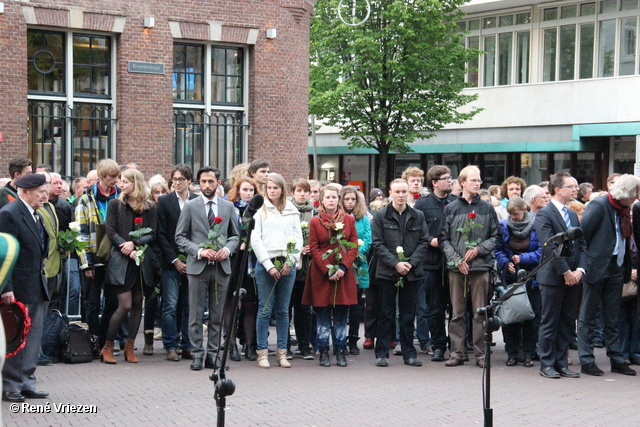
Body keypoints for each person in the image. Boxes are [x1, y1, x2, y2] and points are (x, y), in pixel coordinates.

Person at [176, 166, 239, 371]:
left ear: (218, 183)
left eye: (211, 181)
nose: (207, 185)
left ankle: (213, 355)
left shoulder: (228, 207)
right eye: (203, 181)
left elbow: (235, 236)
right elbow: (180, 237)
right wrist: (199, 251)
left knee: (217, 313)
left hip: (221, 267)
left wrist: (228, 250)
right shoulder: (190, 206)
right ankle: (197, 354)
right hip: (198, 267)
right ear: (198, 183)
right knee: (195, 314)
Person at [578, 174, 640, 377]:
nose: (636, 198)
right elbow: (582, 237)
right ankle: (587, 359)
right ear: (625, 194)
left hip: (617, 266)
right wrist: (585, 265)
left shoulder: (624, 208)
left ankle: (616, 358)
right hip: (596, 268)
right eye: (634, 194)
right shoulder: (599, 205)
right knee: (587, 316)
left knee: (612, 316)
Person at [440, 165, 500, 368]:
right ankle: (457, 352)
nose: (478, 183)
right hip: (457, 268)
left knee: (480, 312)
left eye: (479, 180)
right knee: (457, 313)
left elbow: (495, 237)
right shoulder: (450, 208)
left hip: (480, 267)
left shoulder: (487, 208)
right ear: (463, 182)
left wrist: (479, 250)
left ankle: (481, 354)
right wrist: (457, 259)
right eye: (474, 180)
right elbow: (443, 238)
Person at [0, 173, 50, 402]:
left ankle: (27, 381)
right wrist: (6, 286)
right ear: (25, 191)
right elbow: (4, 252)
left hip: (36, 284)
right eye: (40, 191)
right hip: (17, 287)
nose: (45, 195)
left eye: (45, 191)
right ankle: (11, 385)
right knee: (16, 336)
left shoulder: (38, 215)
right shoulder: (9, 214)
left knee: (33, 337)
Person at [370, 179, 430, 368]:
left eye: (404, 191)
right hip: (387, 272)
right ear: (390, 193)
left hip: (412, 273)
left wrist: (410, 264)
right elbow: (377, 244)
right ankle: (381, 353)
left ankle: (409, 353)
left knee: (408, 314)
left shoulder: (417, 215)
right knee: (386, 313)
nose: (401, 195)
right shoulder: (380, 216)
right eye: (397, 191)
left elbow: (424, 242)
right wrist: (395, 263)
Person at [100, 168, 157, 364]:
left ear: (135, 183)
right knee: (124, 305)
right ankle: (108, 346)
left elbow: (153, 233)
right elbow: (111, 230)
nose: (120, 184)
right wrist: (126, 247)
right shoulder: (115, 204)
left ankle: (130, 347)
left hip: (141, 262)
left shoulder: (149, 207)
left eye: (125, 181)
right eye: (121, 181)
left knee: (137, 305)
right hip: (121, 260)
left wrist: (136, 244)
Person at [534, 172, 587, 379]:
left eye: (576, 186)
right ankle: (547, 363)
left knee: (567, 322)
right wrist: (565, 271)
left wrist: (579, 271)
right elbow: (549, 246)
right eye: (571, 186)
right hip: (553, 278)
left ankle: (561, 362)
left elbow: (581, 244)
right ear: (558, 189)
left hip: (574, 277)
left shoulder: (572, 214)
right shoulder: (544, 214)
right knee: (550, 321)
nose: (576, 189)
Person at [302, 184, 357, 367]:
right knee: (322, 315)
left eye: (334, 197)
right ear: (322, 201)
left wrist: (343, 267)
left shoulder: (349, 219)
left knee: (341, 315)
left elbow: (353, 245)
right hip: (322, 273)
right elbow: (315, 248)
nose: (331, 201)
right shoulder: (315, 222)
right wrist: (328, 269)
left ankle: (340, 350)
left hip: (343, 273)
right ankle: (323, 350)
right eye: (328, 198)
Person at [250, 173, 302, 368]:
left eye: (275, 188)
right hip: (266, 265)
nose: (272, 191)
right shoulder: (260, 210)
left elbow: (298, 238)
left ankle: (282, 353)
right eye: (269, 188)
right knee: (264, 308)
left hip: (287, 264)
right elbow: (256, 239)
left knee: (282, 310)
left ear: (282, 189)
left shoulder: (292, 210)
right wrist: (269, 265)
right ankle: (262, 352)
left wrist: (291, 260)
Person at [75, 159, 121, 348]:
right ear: (101, 177)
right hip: (94, 258)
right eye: (112, 177)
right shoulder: (86, 199)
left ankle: (105, 341)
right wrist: (86, 263)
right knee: (91, 303)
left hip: (115, 258)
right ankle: (91, 340)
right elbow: (80, 232)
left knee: (112, 303)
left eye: (117, 176)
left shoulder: (120, 196)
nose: (115, 180)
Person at [414, 165, 455, 362]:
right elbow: (417, 231)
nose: (450, 181)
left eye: (451, 178)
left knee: (456, 306)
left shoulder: (456, 202)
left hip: (453, 262)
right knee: (434, 307)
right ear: (434, 182)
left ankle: (456, 345)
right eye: (446, 178)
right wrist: (430, 240)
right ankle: (438, 345)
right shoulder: (422, 205)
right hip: (431, 262)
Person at [157, 165, 198, 362]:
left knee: (189, 305)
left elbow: (199, 232)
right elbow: (161, 234)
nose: (177, 182)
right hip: (170, 263)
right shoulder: (165, 201)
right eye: (174, 179)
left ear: (189, 180)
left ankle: (188, 345)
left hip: (193, 261)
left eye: (181, 179)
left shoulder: (196, 201)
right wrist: (174, 260)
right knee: (170, 305)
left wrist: (193, 256)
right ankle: (170, 345)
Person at [495, 197, 541, 368]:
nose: (512, 218)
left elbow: (541, 251)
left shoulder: (536, 225)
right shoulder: (503, 226)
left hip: (532, 276)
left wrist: (523, 258)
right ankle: (512, 353)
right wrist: (506, 263)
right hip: (511, 278)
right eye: (510, 215)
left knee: (531, 316)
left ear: (525, 210)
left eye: (516, 214)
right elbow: (498, 249)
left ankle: (529, 353)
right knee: (510, 316)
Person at [224, 176, 259, 362]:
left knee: (250, 303)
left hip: (251, 261)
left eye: (251, 190)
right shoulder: (230, 208)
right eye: (245, 190)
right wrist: (237, 244)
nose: (248, 194)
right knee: (230, 302)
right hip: (232, 259)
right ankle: (231, 345)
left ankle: (249, 344)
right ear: (237, 191)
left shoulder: (258, 210)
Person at [340, 186, 371, 355]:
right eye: (347, 199)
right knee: (341, 303)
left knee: (356, 303)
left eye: (353, 199)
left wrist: (357, 252)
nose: (350, 202)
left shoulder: (363, 219)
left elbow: (368, 239)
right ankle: (339, 338)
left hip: (358, 264)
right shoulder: (337, 217)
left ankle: (353, 339)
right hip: (342, 263)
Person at [287, 178, 315, 360]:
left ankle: (304, 345)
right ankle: (286, 345)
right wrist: (296, 250)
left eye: (306, 191)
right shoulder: (286, 211)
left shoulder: (314, 212)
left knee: (304, 308)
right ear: (292, 193)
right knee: (286, 307)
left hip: (308, 267)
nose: (303, 194)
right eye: (299, 191)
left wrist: (311, 246)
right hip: (290, 265)